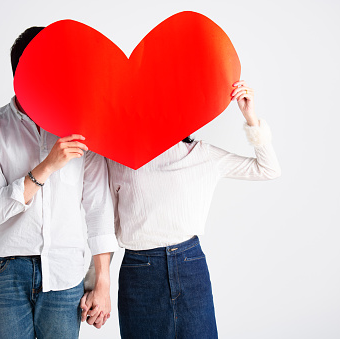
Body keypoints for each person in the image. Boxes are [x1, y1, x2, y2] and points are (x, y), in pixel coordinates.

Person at [82, 80, 281, 338]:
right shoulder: (118, 158)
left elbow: (268, 169)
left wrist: (250, 117)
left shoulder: (203, 155)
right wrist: (95, 284)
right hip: (138, 273)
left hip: (190, 268)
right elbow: (102, 219)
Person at [0, 26, 118, 339]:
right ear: (20, 76)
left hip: (65, 272)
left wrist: (102, 281)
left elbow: (98, 208)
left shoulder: (81, 126)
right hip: (7, 271)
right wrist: (49, 165)